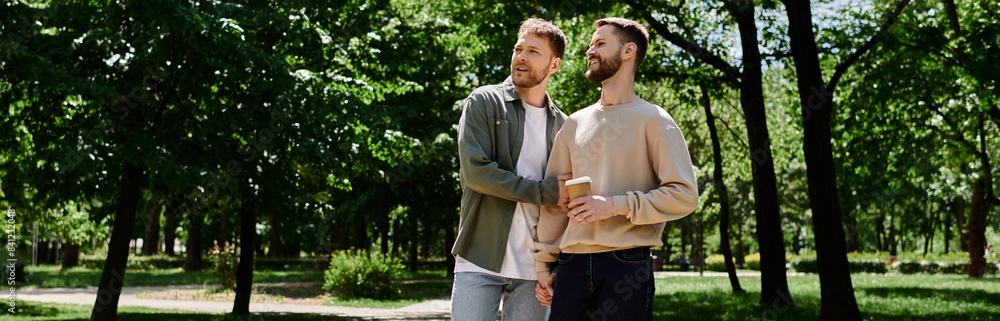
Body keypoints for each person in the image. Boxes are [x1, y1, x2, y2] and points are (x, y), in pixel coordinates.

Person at [532, 17, 699, 320]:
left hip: (627, 266)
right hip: (571, 263)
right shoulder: (574, 124)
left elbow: (684, 196)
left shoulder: (656, 121)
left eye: (600, 43)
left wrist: (615, 205)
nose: (589, 50)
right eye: (590, 44)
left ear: (628, 50)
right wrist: (544, 263)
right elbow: (557, 199)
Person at [451, 18, 572, 321]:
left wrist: (555, 266)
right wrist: (546, 192)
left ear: (554, 65)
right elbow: (477, 172)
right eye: (519, 48)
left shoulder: (565, 126)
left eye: (533, 51)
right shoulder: (484, 101)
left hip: (536, 269)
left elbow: (567, 203)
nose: (521, 56)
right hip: (479, 260)